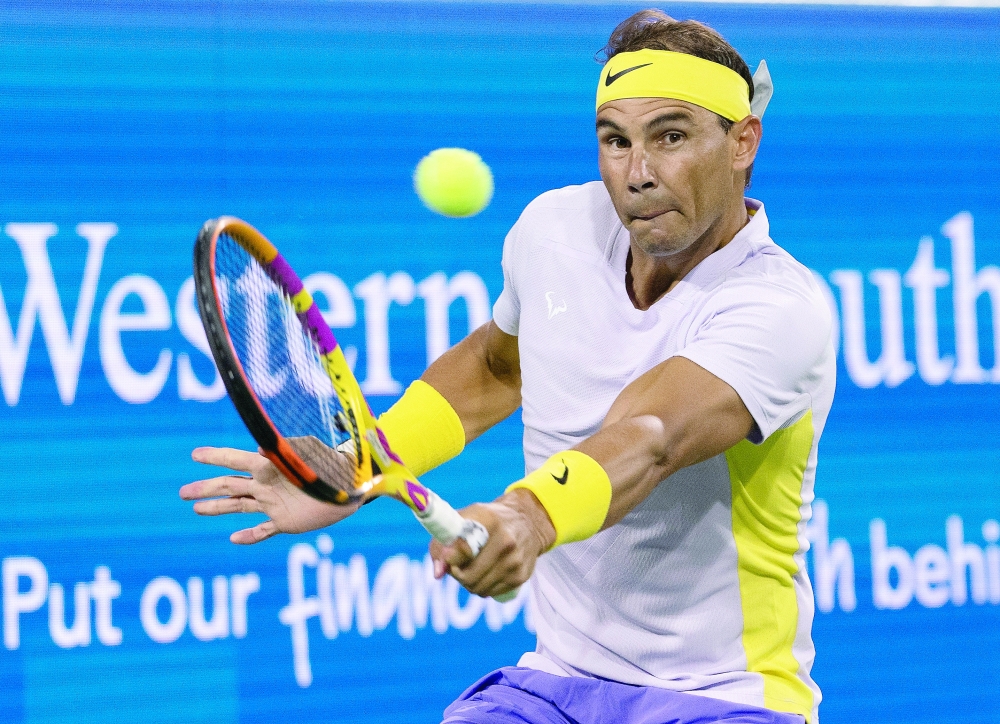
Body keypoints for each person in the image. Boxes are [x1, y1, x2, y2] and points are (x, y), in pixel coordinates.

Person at [181, 9, 834, 724]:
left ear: (743, 142)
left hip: (719, 698)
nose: (638, 174)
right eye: (615, 141)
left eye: (670, 136)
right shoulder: (554, 231)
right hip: (557, 681)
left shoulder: (781, 307)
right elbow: (497, 370)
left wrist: (525, 516)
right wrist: (356, 466)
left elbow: (651, 435)